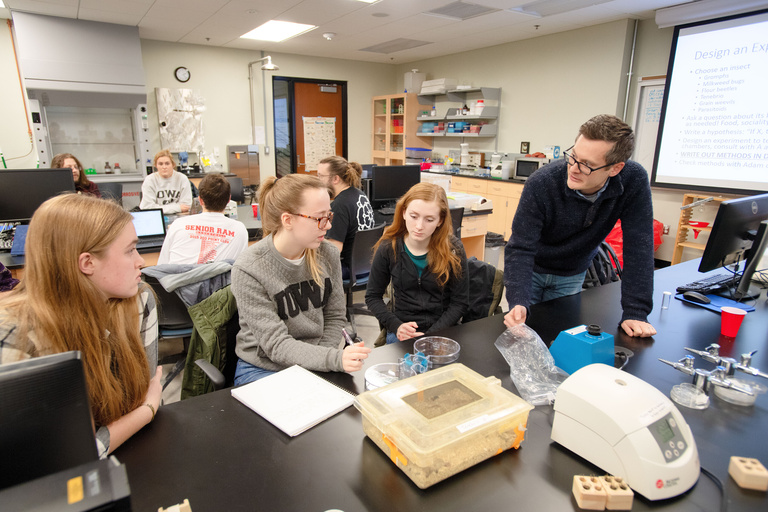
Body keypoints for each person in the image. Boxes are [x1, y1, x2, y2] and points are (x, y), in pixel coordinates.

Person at [0, 194, 162, 457]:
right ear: (87, 263)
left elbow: (141, 395)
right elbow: (54, 459)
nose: (140, 261)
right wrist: (147, 412)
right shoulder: (14, 335)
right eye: (130, 249)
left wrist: (142, 410)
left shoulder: (138, 300)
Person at [503, 114, 656, 338]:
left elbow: (639, 246)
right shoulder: (542, 183)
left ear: (615, 168)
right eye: (573, 156)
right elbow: (520, 248)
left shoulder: (633, 180)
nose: (574, 168)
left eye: (587, 165)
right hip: (531, 270)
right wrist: (518, 300)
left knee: (561, 338)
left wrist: (636, 311)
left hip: (572, 272)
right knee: (523, 337)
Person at [231, 174, 371, 385]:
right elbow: (276, 345)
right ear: (287, 220)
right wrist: (331, 359)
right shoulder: (249, 268)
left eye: (329, 216)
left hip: (318, 355)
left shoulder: (328, 254)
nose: (328, 226)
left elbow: (335, 317)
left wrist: (321, 360)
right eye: (319, 218)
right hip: (264, 367)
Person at [365, 183, 469, 344]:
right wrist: (396, 326)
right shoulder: (388, 248)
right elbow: (372, 297)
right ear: (404, 212)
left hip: (443, 329)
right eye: (414, 216)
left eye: (429, 219)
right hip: (403, 331)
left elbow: (459, 303)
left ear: (440, 220)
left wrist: (431, 335)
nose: (419, 226)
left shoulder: (453, 249)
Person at [157, 173, 248, 265]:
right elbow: (241, 268)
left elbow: (161, 267)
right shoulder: (239, 229)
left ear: (200, 200)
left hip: (180, 279)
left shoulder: (178, 225)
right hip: (219, 279)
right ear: (229, 199)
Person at [316, 156, 375, 279]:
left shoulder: (340, 205)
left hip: (348, 269)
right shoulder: (360, 194)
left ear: (336, 179)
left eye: (321, 176)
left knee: (307, 268)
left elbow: (334, 250)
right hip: (367, 266)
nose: (318, 180)